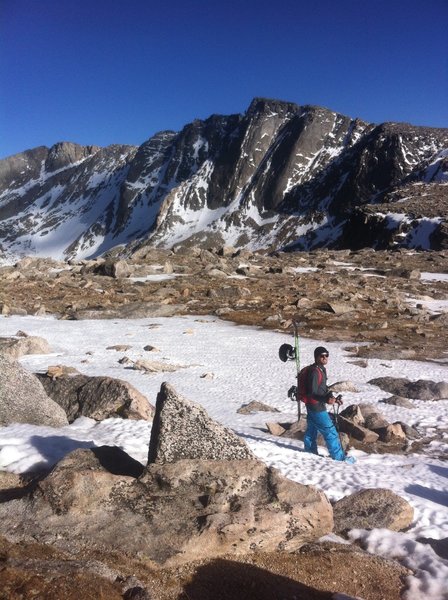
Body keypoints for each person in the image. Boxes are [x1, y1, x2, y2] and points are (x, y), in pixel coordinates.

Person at [303, 346, 355, 463]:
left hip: (313, 406)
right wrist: (326, 400)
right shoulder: (314, 372)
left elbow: (323, 388)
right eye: (322, 355)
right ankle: (339, 458)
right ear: (316, 357)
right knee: (330, 431)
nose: (324, 358)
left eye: (326, 355)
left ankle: (310, 452)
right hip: (317, 407)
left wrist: (332, 398)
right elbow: (312, 393)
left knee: (311, 430)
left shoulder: (321, 369)